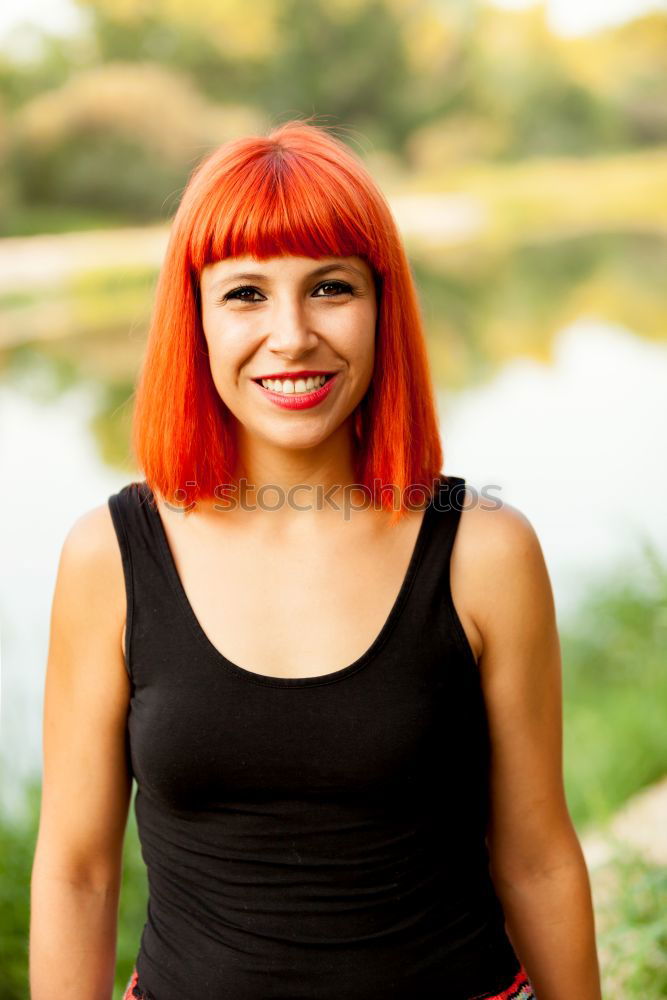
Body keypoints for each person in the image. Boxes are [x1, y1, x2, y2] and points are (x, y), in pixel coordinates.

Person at [29, 119, 602, 1000]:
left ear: (382, 304)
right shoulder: (110, 555)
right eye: (246, 294)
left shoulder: (485, 550)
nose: (292, 336)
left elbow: (536, 859)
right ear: (196, 319)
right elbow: (76, 873)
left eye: (330, 288)